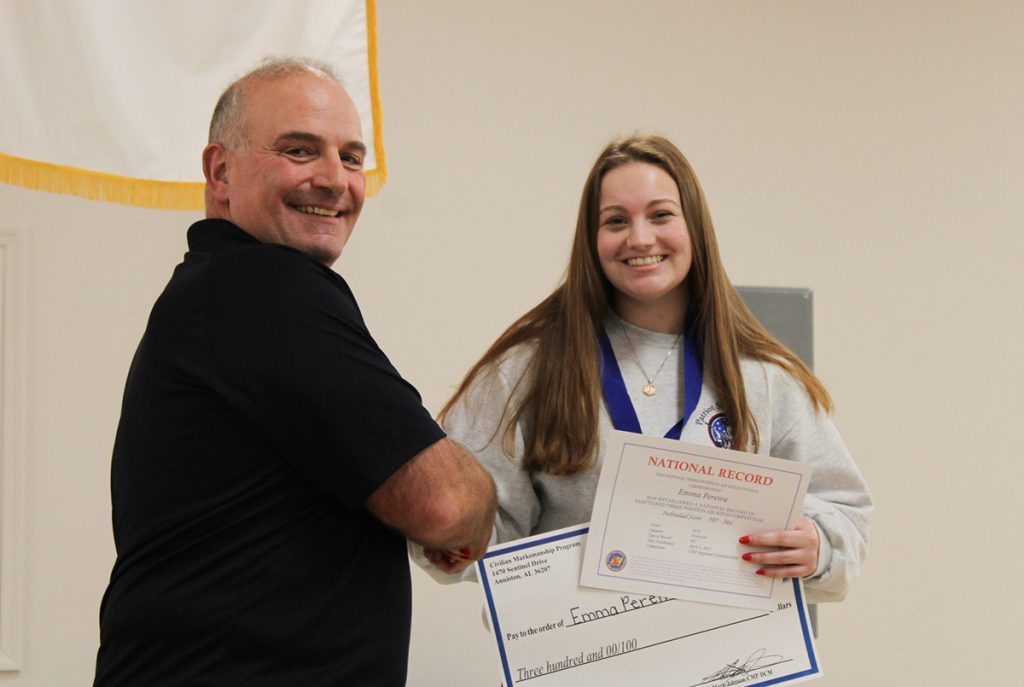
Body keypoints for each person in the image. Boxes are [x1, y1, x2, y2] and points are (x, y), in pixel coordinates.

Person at [93, 57, 496, 687]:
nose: (335, 179)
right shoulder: (263, 285)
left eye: (353, 157)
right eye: (300, 150)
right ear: (220, 172)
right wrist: (480, 502)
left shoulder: (219, 293)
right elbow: (442, 502)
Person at [421, 135, 871, 604]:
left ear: (693, 227)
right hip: (577, 662)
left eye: (660, 215)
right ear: (591, 241)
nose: (640, 238)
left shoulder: (762, 376)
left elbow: (847, 513)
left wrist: (819, 547)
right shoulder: (529, 369)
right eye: (616, 221)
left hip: (724, 664)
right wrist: (453, 536)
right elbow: (477, 527)